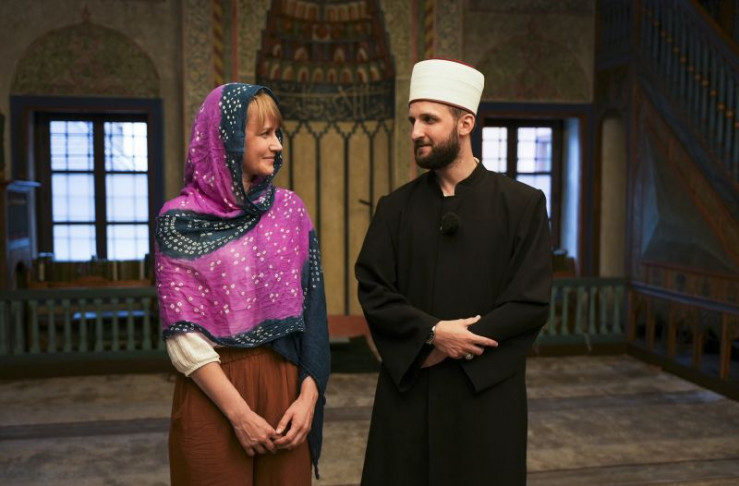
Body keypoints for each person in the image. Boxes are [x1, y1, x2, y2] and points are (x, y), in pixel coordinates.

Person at [355, 59, 553, 485]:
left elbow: (531, 301)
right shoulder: (395, 208)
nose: (415, 132)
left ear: (465, 124)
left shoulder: (522, 205)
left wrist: (460, 343)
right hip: (410, 389)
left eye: (429, 120)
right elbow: (374, 289)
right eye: (412, 120)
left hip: (485, 395)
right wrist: (432, 333)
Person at [155, 83, 330, 485]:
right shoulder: (178, 221)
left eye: (277, 133)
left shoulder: (289, 211)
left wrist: (308, 397)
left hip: (285, 385)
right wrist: (239, 415)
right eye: (265, 134)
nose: (277, 145)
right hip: (213, 390)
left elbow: (313, 311)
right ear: (227, 140)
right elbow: (182, 334)